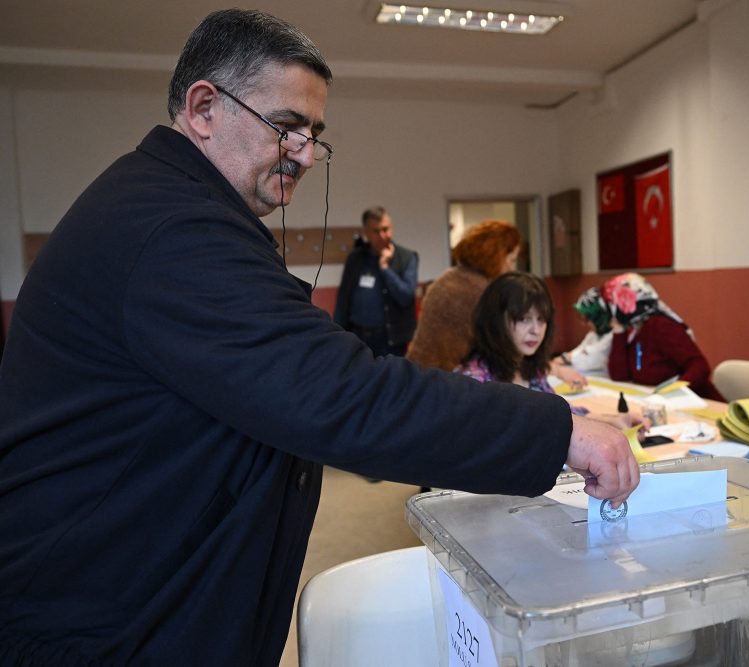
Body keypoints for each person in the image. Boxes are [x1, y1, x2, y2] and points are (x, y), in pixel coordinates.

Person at [0, 10, 638, 665]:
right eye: (287, 127)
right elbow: (341, 394)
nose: (305, 154)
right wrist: (555, 430)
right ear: (203, 108)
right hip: (99, 620)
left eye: (314, 135)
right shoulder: (172, 231)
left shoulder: (171, 208)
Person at [457, 272, 643, 430]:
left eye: (541, 319)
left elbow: (562, 416)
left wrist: (613, 422)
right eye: (524, 319)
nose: (535, 330)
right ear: (495, 320)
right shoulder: (474, 382)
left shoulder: (530, 367)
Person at [406, 220, 521, 371]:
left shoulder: (450, 276)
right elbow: (500, 350)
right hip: (441, 381)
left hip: (417, 371)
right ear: (497, 256)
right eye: (511, 260)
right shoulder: (481, 292)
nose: (510, 268)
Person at [604, 273, 725, 401]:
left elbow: (699, 366)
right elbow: (619, 376)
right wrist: (619, 331)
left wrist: (674, 391)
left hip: (697, 402)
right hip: (658, 401)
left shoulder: (661, 326)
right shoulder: (633, 329)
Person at [333, 206, 418, 356]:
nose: (383, 235)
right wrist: (337, 334)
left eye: (386, 229)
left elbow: (406, 297)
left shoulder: (407, 257)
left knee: (392, 378)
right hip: (358, 337)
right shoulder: (356, 258)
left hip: (392, 340)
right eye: (376, 231)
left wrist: (385, 268)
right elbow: (343, 298)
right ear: (366, 233)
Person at [551, 286, 615, 374]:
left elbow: (592, 359)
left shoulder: (613, 337)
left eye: (587, 318)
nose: (584, 323)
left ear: (599, 318)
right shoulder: (593, 335)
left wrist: (565, 358)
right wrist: (565, 358)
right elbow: (578, 351)